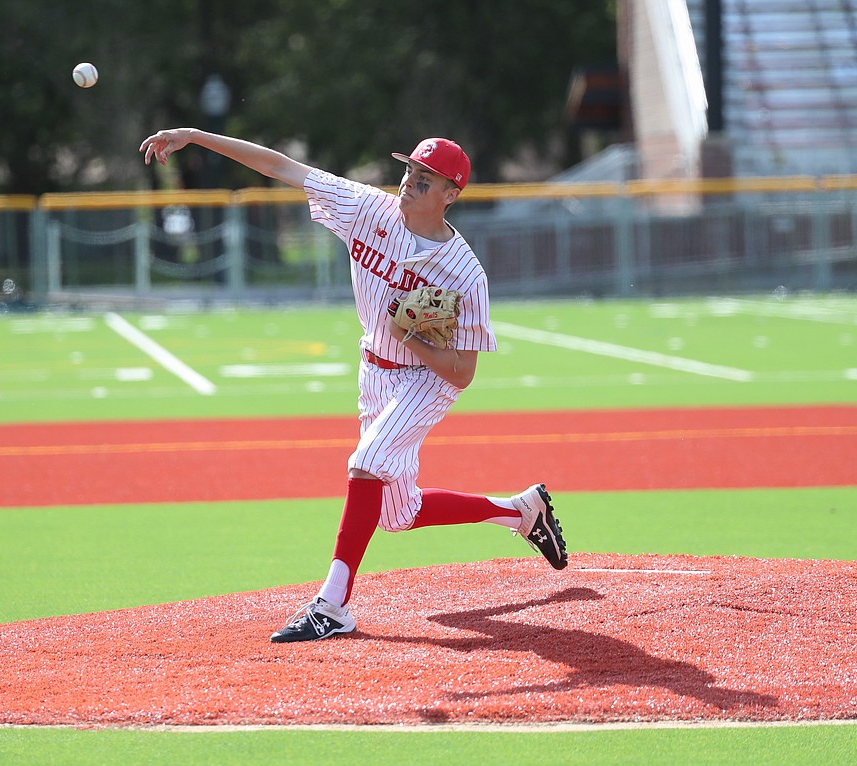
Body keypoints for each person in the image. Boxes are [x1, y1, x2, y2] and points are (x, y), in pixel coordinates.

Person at [139, 129, 568, 643]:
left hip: (427, 381)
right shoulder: (368, 209)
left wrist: (412, 339)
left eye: (425, 179)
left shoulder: (464, 274)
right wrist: (195, 137)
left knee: (366, 462)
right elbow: (283, 168)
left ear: (451, 194)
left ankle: (333, 604)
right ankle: (519, 511)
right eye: (409, 170)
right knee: (397, 513)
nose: (410, 182)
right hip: (374, 373)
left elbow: (462, 372)